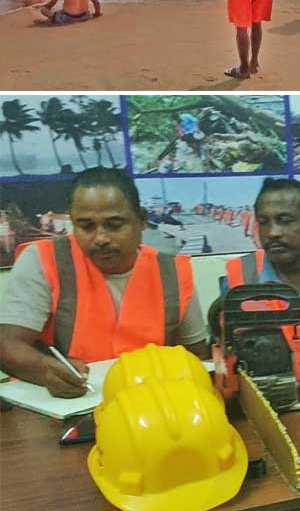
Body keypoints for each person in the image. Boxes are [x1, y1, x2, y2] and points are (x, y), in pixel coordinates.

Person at [0, 168, 208, 397]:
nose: (100, 238)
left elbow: (198, 356)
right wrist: (46, 370)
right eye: (86, 226)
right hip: (68, 408)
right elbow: (7, 345)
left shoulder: (173, 272)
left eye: (114, 225)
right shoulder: (43, 260)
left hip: (152, 409)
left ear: (141, 220)